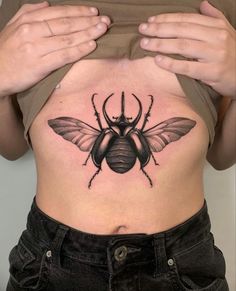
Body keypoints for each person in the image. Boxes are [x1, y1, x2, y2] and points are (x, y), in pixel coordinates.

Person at [0, 0, 235, 290]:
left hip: (181, 260)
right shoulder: (23, 7)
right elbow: (10, 148)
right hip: (53, 259)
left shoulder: (218, 6)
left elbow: (223, 156)